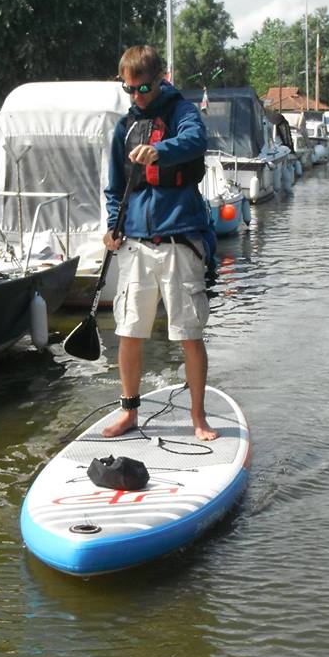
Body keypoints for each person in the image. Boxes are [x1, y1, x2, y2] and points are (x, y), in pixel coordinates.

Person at [102, 44, 218, 442]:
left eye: (143, 87)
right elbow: (115, 188)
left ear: (161, 78)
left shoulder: (182, 112)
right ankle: (129, 412)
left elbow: (195, 141)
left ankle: (199, 417)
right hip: (135, 243)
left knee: (188, 332)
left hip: (179, 239)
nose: (136, 96)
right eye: (128, 89)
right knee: (129, 330)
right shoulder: (123, 128)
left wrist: (159, 151)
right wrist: (111, 224)